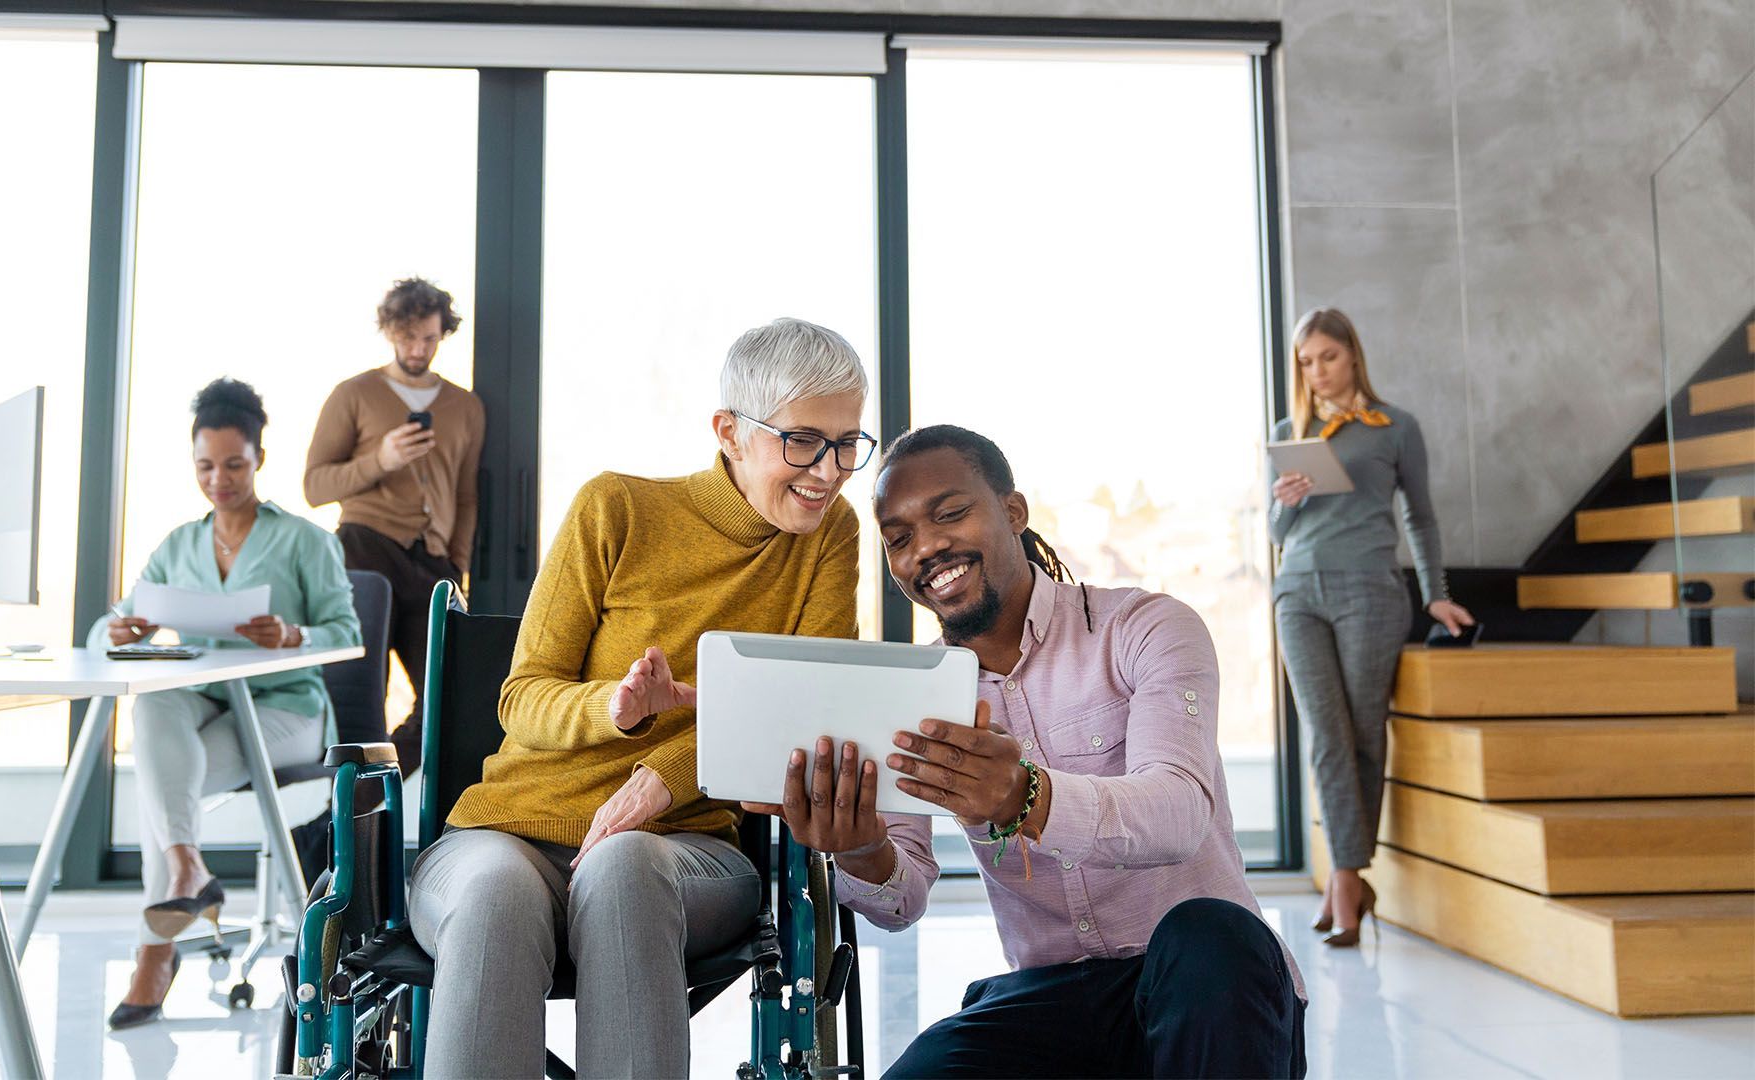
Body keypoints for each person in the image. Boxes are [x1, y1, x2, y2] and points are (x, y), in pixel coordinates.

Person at [750, 424, 1306, 1079]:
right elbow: (901, 902)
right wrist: (861, 847)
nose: (926, 547)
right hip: (1055, 1001)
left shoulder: (1146, 627)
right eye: (898, 538)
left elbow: (1179, 812)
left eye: (950, 514)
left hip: (1208, 989)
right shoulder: (912, 694)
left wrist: (1025, 796)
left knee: (1211, 936)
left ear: (1013, 511)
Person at [407, 318, 873, 1078]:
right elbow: (522, 698)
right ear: (729, 432)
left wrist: (662, 778)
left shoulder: (829, 536)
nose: (829, 471)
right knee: (494, 894)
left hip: (684, 852)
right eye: (803, 441)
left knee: (625, 867)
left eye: (848, 443)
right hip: (506, 834)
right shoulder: (614, 509)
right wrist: (614, 712)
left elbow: (811, 707)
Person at [95, 378, 362, 1030]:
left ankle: (154, 955)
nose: (219, 480)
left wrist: (292, 635)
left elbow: (347, 634)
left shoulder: (304, 541)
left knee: (161, 788)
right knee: (152, 708)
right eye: (205, 467)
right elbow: (109, 625)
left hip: (285, 712)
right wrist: (119, 631)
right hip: (201, 705)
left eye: (234, 465)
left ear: (259, 459)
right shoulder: (179, 544)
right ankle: (187, 868)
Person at [1270, 307, 1474, 946]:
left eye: (1328, 357)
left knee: (1362, 733)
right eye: (1306, 362)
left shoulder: (1395, 427)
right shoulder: (1290, 432)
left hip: (1370, 592)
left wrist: (1435, 596)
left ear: (1353, 354)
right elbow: (1278, 533)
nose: (1317, 371)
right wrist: (1286, 503)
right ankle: (1348, 883)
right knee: (1326, 737)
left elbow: (1421, 517)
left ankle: (1345, 882)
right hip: (1297, 592)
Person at [305, 277, 486, 776]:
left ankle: (361, 797)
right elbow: (315, 486)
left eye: (429, 338)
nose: (418, 349)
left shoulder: (466, 408)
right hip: (364, 550)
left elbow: (466, 495)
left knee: (448, 698)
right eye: (408, 338)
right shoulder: (353, 395)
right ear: (388, 331)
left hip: (433, 565)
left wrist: (457, 564)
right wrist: (381, 460)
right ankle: (351, 810)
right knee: (360, 699)